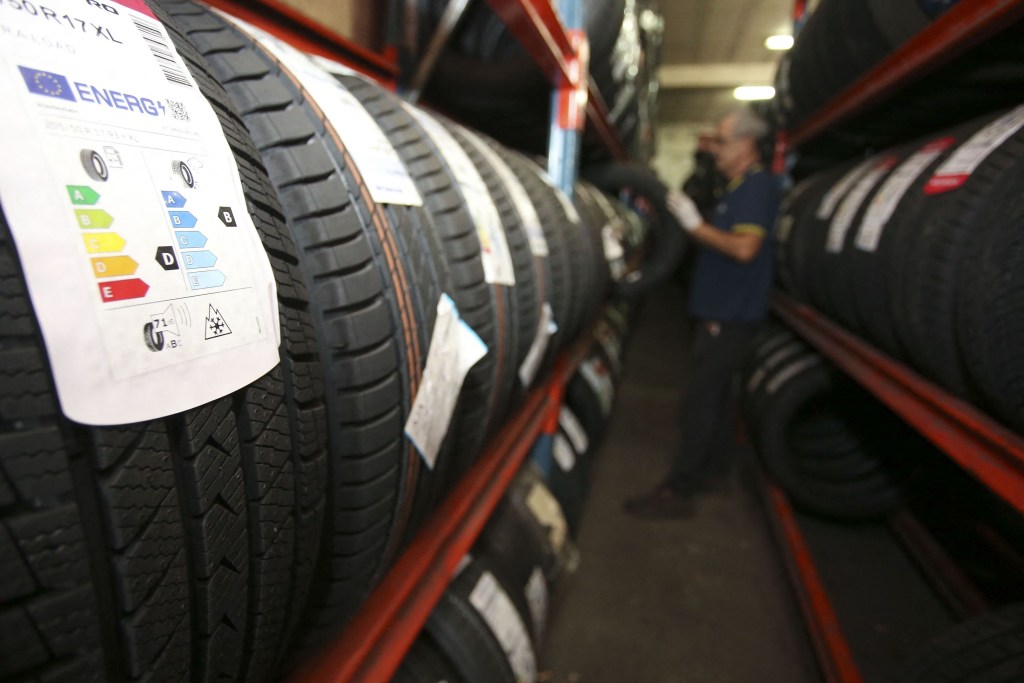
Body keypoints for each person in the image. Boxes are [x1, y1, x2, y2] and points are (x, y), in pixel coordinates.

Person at [625, 106, 781, 519]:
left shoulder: (756, 188)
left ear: (747, 145)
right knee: (715, 399)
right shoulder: (738, 186)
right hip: (722, 310)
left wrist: (696, 227)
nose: (715, 149)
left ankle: (678, 490)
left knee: (700, 403)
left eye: (724, 141)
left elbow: (746, 249)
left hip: (729, 315)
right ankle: (713, 472)